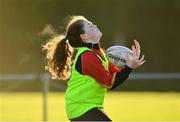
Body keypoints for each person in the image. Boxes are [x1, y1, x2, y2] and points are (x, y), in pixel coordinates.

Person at [42, 15, 145, 121]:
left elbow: (115, 76)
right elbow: (109, 83)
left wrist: (130, 62)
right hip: (80, 107)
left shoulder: (101, 53)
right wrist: (129, 67)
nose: (94, 25)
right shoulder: (87, 57)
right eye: (90, 26)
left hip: (90, 107)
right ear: (84, 36)